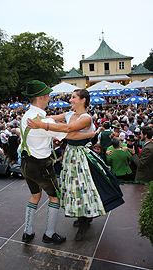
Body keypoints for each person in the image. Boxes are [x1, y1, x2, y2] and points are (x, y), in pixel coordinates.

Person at [28, 88, 124, 241]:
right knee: (74, 187)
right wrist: (33, 113)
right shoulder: (69, 114)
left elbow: (68, 130)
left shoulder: (86, 118)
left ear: (82, 100)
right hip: (70, 154)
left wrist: (41, 125)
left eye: (73, 97)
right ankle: (83, 217)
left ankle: (84, 221)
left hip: (82, 156)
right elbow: (51, 117)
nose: (70, 100)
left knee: (82, 188)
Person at [20, 80, 95, 244]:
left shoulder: (27, 115)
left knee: (34, 196)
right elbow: (71, 135)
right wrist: (90, 135)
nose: (49, 99)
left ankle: (28, 232)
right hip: (40, 165)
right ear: (41, 97)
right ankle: (49, 234)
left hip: (25, 162)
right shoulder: (43, 120)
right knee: (55, 197)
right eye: (47, 96)